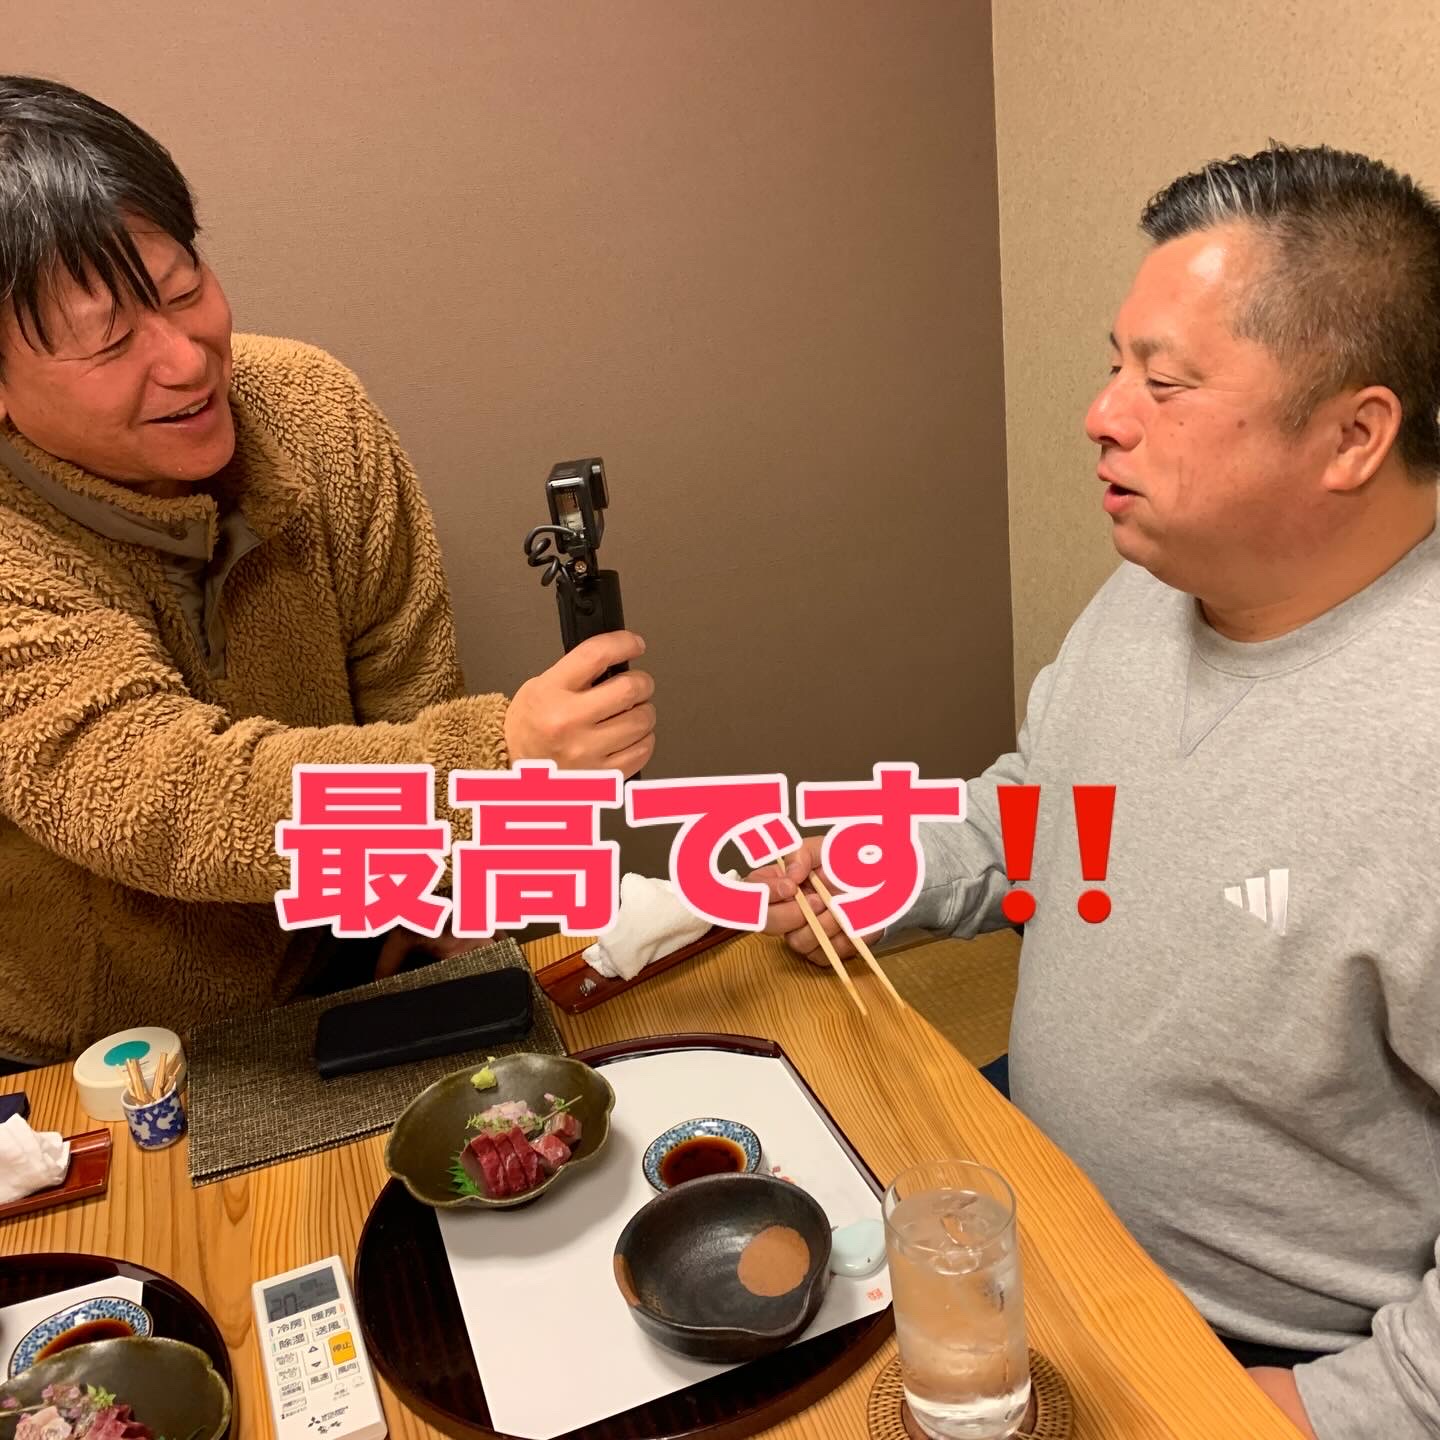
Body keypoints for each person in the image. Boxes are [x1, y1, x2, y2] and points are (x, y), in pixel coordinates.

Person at [758, 144, 1440, 1440]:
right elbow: (1043, 801)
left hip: (1256, 1350)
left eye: (1163, 383)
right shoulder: (1154, 585)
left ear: (1354, 436)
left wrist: (1323, 1409)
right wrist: (887, 869)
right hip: (1032, 1216)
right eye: (1115, 365)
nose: (1103, 414)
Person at [0, 75, 656, 1066]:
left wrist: (435, 902)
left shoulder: (311, 410)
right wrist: (500, 756)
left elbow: (410, 687)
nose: (186, 360)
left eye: (184, 290)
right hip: (91, 1053)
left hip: (348, 960)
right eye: (110, 341)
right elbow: (154, 792)